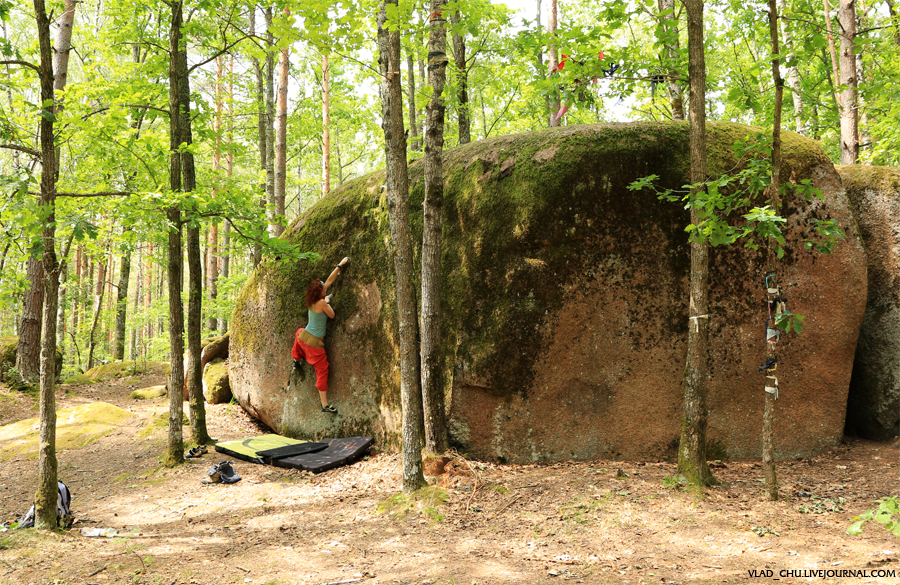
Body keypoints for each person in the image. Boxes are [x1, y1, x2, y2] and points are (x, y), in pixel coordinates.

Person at [291, 257, 349, 413]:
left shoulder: (311, 300)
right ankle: (324, 405)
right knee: (322, 370)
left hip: (304, 335)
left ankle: (296, 360)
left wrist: (339, 265)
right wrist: (328, 302)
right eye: (323, 291)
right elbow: (332, 316)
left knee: (298, 334)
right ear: (320, 294)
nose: (326, 289)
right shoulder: (322, 303)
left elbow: (328, 282)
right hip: (314, 343)